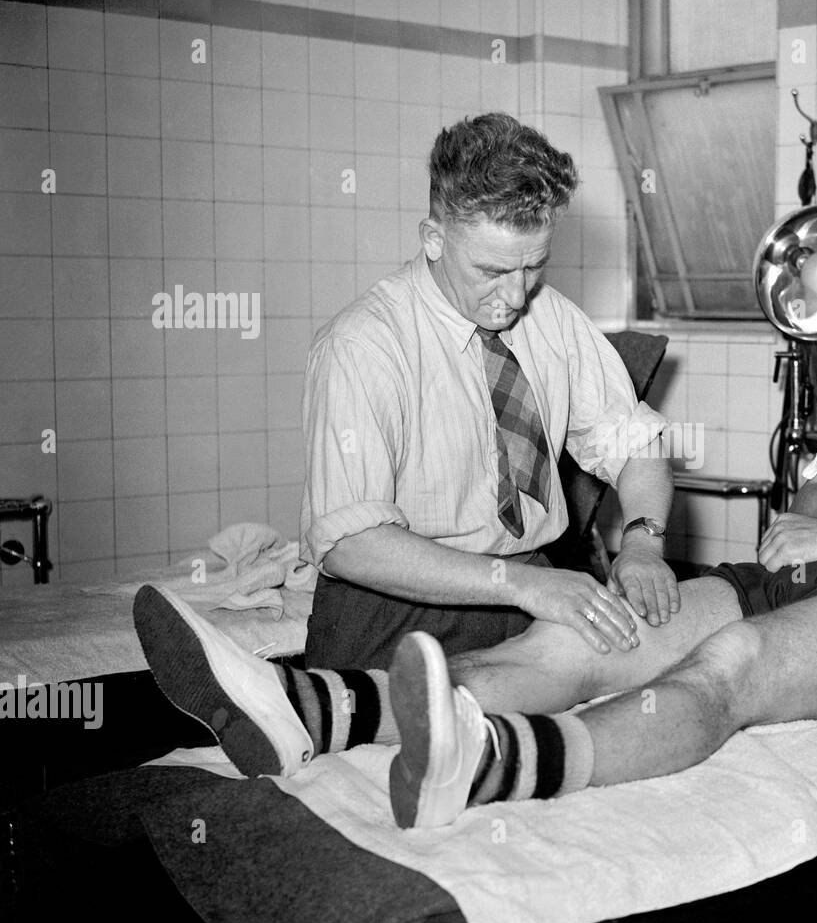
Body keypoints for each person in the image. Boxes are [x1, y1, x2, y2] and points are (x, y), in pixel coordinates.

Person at [134, 178, 817, 825]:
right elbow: (808, 492)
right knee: (604, 633)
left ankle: (498, 766)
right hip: (808, 563)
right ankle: (312, 704)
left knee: (731, 667)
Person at [133, 113, 679, 773]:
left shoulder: (555, 320)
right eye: (491, 271)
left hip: (534, 592)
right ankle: (295, 706)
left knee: (581, 734)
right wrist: (520, 587)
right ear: (433, 238)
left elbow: (635, 445)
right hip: (396, 612)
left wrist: (645, 540)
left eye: (533, 267)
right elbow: (354, 545)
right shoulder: (365, 345)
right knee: (384, 786)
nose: (514, 296)